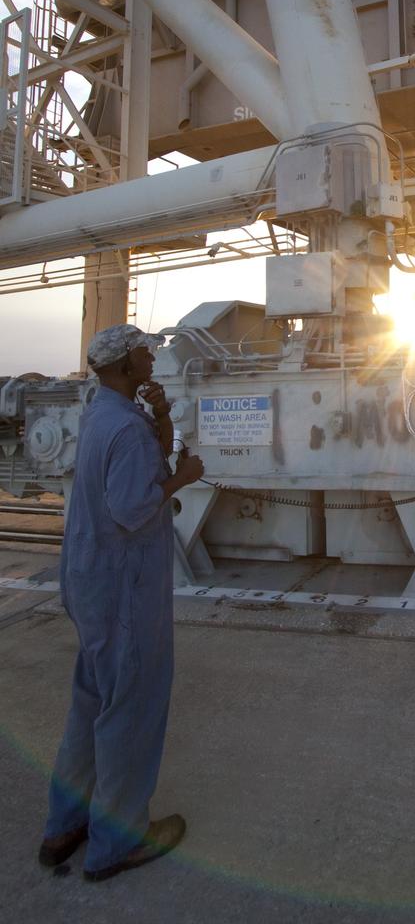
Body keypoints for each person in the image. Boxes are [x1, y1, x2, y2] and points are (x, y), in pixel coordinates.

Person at [39, 323, 204, 882]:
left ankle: (64, 827)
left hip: (89, 584)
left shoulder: (103, 414)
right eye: (143, 353)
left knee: (90, 706)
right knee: (130, 710)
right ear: (123, 363)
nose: (151, 359)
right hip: (123, 592)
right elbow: (133, 508)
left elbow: (140, 463)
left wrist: (161, 415)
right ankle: (117, 842)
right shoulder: (126, 429)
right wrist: (184, 477)